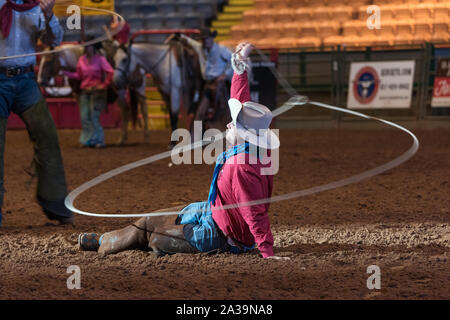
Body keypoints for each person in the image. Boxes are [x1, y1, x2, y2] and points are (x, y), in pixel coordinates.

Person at [78, 43, 289, 260]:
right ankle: (107, 240)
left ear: (245, 135)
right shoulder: (253, 148)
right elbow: (240, 99)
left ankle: (109, 242)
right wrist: (240, 65)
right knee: (153, 219)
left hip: (222, 236)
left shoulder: (242, 166)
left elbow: (254, 213)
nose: (228, 125)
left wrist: (267, 252)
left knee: (154, 234)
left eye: (233, 125)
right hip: (214, 211)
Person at [0, 0, 73, 226]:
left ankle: (55, 203)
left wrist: (49, 15)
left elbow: (55, 40)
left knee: (47, 136)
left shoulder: (37, 7)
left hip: (26, 80)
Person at [178, 29, 233, 130]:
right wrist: (180, 36)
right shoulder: (201, 48)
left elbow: (233, 60)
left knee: (224, 111)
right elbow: (192, 43)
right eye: (203, 39)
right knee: (200, 113)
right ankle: (196, 140)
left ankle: (230, 135)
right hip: (208, 84)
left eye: (206, 39)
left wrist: (226, 74)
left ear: (212, 39)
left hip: (219, 84)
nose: (204, 41)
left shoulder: (222, 50)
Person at [64, 37, 114, 148]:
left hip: (97, 91)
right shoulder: (82, 59)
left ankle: (98, 140)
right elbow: (79, 75)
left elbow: (110, 72)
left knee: (93, 116)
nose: (87, 47)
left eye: (89, 45)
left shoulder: (100, 59)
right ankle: (88, 140)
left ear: (93, 47)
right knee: (85, 117)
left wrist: (104, 84)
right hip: (85, 91)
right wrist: (66, 73)